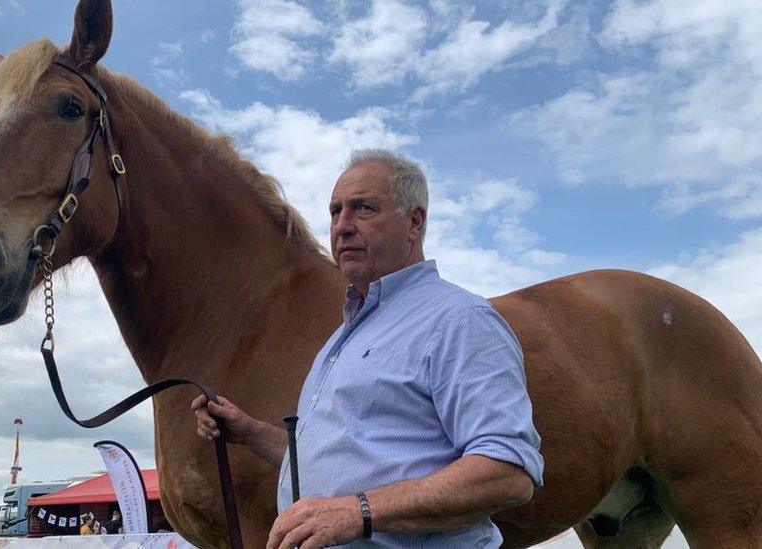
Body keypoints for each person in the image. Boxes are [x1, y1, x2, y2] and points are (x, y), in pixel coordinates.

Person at [192, 149, 544, 548]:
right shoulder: (342, 337)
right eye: (335, 211)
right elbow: (335, 464)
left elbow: (509, 472)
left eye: (363, 209)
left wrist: (357, 512)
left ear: (415, 221)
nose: (341, 226)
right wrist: (250, 432)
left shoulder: (460, 319)